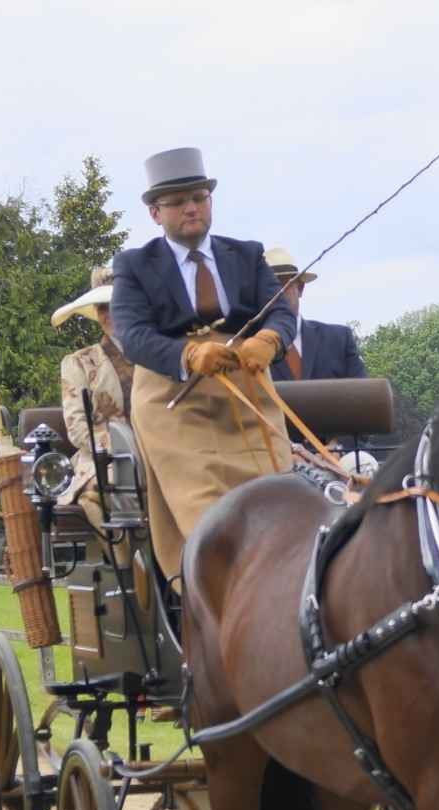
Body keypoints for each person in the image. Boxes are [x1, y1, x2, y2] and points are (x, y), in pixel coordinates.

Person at [111, 147, 297, 578]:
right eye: (177, 202)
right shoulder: (135, 266)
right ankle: (214, 578)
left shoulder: (247, 255)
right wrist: (189, 354)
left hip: (247, 388)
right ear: (156, 213)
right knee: (208, 511)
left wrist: (271, 338)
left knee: (276, 497)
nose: (191, 208)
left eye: (198, 197)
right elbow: (133, 335)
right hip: (174, 397)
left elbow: (281, 311)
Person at [51, 267, 135, 533]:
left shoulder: (156, 354)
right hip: (103, 459)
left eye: (114, 305)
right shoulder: (79, 363)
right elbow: (77, 427)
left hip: (159, 448)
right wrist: (125, 448)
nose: (109, 314)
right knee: (100, 494)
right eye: (102, 308)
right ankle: (127, 568)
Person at [264, 248, 367, 382]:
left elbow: (363, 396)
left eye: (284, 284)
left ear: (300, 288)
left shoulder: (339, 340)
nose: (276, 293)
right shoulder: (244, 347)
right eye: (268, 287)